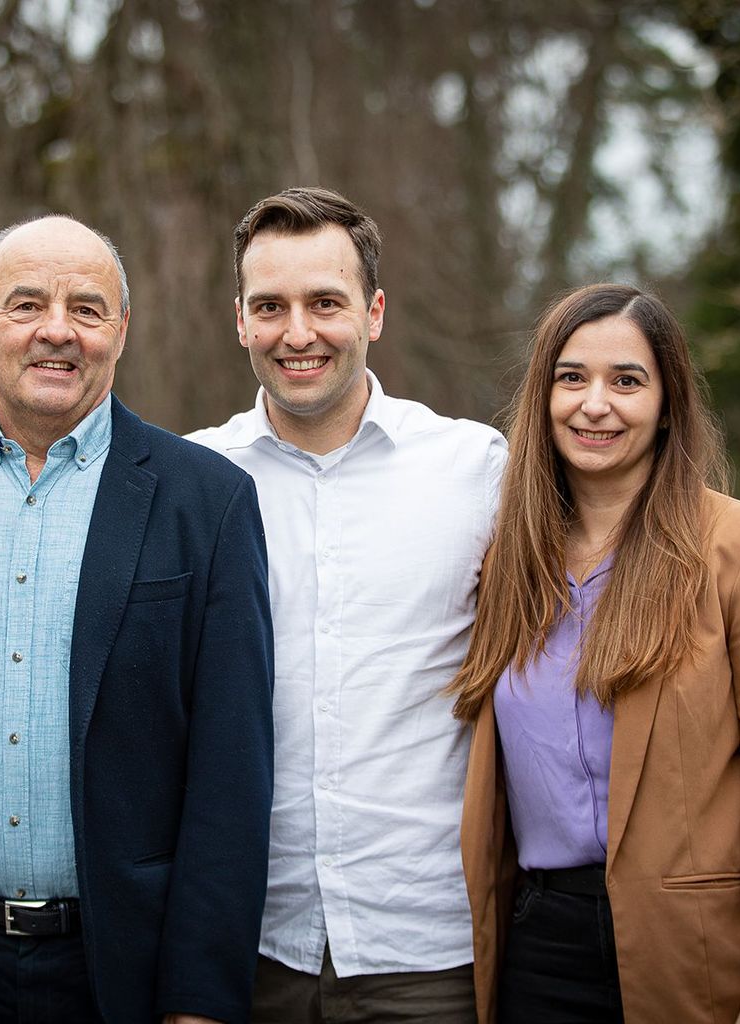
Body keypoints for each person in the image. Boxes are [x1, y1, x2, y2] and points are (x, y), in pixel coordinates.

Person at [0, 215, 275, 1024]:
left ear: (121, 331)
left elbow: (232, 774)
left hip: (122, 967)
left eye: (87, 310)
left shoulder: (207, 501)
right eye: (25, 304)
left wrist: (198, 1000)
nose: (56, 331)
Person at [449, 283, 740, 1023]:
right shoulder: (509, 567)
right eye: (571, 378)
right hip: (539, 947)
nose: (594, 404)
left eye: (627, 381)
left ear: (669, 403)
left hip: (709, 949)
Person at [189, 186, 506, 1022]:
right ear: (239, 320)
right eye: (271, 307)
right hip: (248, 946)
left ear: (374, 314)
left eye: (325, 302)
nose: (298, 333)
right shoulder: (192, 481)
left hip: (427, 947)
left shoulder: (476, 472)